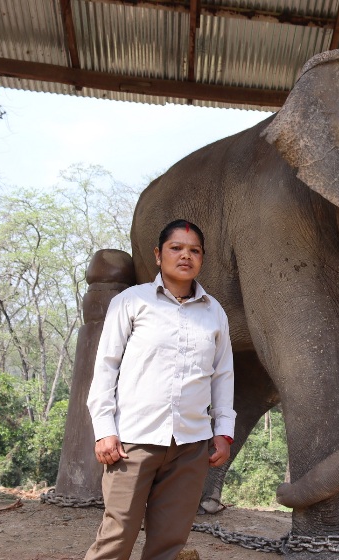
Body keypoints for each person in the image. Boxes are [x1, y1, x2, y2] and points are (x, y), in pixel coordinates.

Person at [85, 219, 235, 560]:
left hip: (190, 447)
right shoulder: (131, 302)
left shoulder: (214, 313)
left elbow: (222, 376)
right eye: (176, 248)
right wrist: (105, 430)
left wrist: (224, 431)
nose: (186, 256)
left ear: (202, 258)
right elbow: (105, 368)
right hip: (133, 443)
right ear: (158, 255)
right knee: (116, 538)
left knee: (168, 545)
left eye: (194, 250)